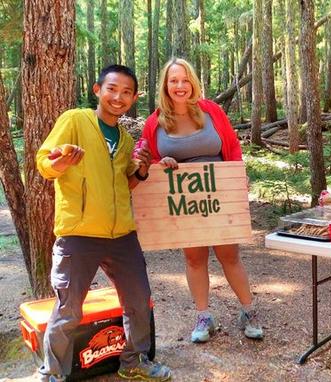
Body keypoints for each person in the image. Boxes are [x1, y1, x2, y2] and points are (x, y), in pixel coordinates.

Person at [36, 65, 171, 382]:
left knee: (138, 300)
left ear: (134, 98)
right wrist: (59, 162)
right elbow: (44, 162)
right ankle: (52, 373)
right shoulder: (75, 120)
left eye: (126, 92)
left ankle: (133, 361)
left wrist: (140, 171)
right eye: (112, 89)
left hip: (122, 235)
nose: (118, 97)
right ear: (98, 90)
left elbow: (124, 185)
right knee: (68, 309)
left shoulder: (125, 139)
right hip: (78, 235)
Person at [141, 58, 263, 343]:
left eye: (185, 80)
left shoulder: (211, 111)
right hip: (185, 202)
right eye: (174, 81)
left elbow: (232, 148)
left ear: (192, 82)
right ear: (165, 86)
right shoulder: (155, 122)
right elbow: (150, 160)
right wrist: (162, 163)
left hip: (217, 197)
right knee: (194, 259)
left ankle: (248, 311)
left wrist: (238, 182)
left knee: (229, 256)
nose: (180, 86)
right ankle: (204, 316)